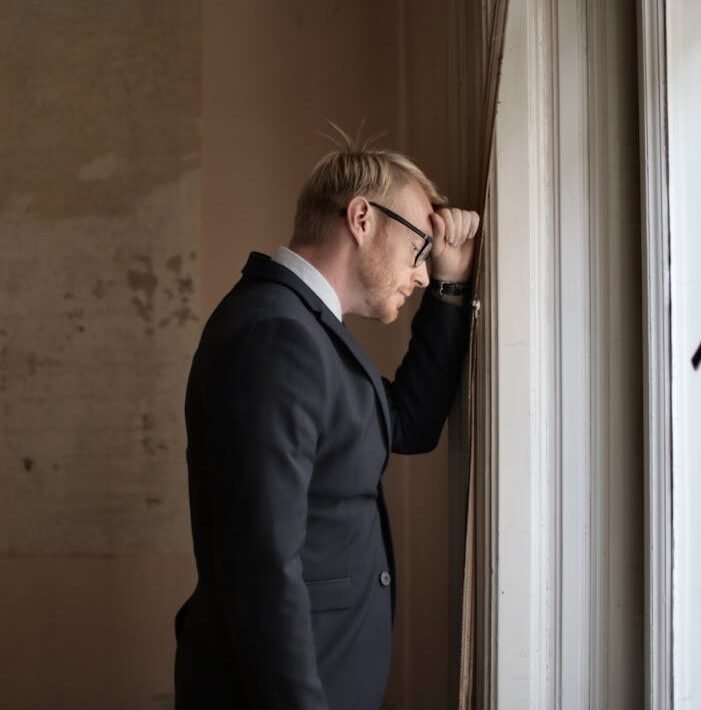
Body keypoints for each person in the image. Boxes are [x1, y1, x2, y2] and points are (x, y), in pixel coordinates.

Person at [173, 137, 479, 710]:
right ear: (361, 218)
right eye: (418, 247)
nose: (420, 274)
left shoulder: (303, 328)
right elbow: (262, 565)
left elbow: (406, 424)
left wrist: (449, 287)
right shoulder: (277, 334)